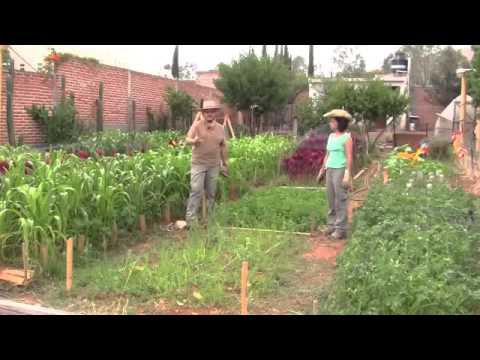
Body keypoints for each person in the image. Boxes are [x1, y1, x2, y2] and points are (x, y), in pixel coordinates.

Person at [185, 106, 228, 227]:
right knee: (196, 190)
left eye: (212, 111)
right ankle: (191, 220)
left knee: (211, 192)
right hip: (198, 163)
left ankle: (210, 218)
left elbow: (223, 146)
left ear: (215, 113)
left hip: (214, 164)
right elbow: (187, 139)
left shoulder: (220, 128)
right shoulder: (197, 125)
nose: (209, 114)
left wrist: (225, 163)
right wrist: (194, 141)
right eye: (206, 111)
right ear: (203, 113)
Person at [316, 109, 353, 240]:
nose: (330, 124)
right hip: (330, 169)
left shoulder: (346, 138)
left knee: (340, 199)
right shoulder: (331, 137)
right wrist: (322, 170)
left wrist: (347, 174)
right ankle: (331, 225)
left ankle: (341, 229)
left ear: (339, 123)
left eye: (332, 121)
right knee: (331, 199)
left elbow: (349, 157)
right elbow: (328, 155)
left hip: (340, 170)